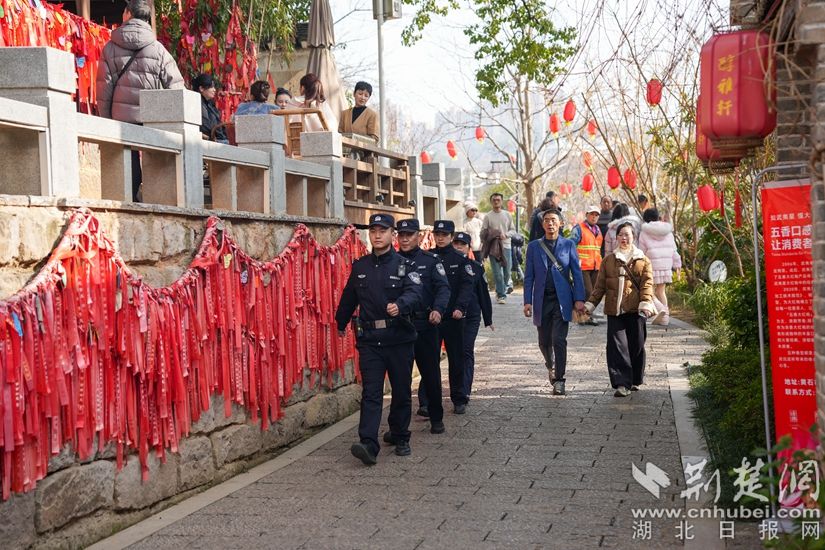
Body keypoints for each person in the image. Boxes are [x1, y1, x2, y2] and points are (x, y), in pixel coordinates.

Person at [334, 214, 423, 465]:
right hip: (370, 340)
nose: (377, 235)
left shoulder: (405, 266)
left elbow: (416, 292)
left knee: (401, 391)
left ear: (392, 235)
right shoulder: (360, 266)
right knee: (371, 393)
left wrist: (401, 305)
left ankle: (400, 435)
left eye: (382, 230)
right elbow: (349, 297)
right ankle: (368, 444)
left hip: (398, 338)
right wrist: (340, 323)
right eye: (373, 230)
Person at [96, 0, 183, 201]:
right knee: (153, 154)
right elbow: (176, 86)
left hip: (121, 116)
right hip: (150, 117)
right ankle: (156, 197)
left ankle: (130, 199)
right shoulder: (157, 48)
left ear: (127, 14)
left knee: (128, 157)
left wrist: (106, 119)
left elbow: (104, 87)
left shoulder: (109, 48)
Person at [585, 222, 656, 397]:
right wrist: (590, 304)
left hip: (636, 311)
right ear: (616, 238)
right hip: (614, 311)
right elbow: (600, 286)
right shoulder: (608, 260)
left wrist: (645, 302)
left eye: (627, 235)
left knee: (636, 345)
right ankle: (622, 384)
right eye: (621, 235)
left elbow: (647, 284)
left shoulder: (643, 260)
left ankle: (635, 379)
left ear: (634, 237)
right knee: (617, 347)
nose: (624, 238)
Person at [395, 218, 451, 436]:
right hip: (400, 326)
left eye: (410, 234)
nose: (405, 238)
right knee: (401, 378)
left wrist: (438, 309)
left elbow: (443, 288)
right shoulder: (392, 261)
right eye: (402, 235)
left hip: (425, 324)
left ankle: (436, 417)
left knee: (430, 374)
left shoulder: (430, 261)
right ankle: (399, 425)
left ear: (418, 236)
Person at [523, 209, 586, 396]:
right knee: (544, 341)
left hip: (562, 300)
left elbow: (577, 274)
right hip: (542, 300)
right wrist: (527, 301)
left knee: (558, 339)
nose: (550, 223)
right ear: (542, 225)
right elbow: (529, 277)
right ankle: (550, 364)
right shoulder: (534, 247)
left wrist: (579, 299)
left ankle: (559, 379)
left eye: (553, 220)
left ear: (560, 224)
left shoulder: (568, 245)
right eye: (547, 220)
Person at [419, 220, 474, 415]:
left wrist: (460, 308)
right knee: (428, 360)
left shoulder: (461, 260)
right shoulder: (425, 258)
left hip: (453, 318)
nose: (440, 238)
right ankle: (426, 402)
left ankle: (458, 398)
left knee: (456, 359)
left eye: (445, 234)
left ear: (452, 237)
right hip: (430, 319)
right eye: (438, 234)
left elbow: (467, 287)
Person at [451, 231, 493, 400]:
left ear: (468, 248)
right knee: (455, 352)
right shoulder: (444, 265)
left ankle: (465, 389)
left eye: (462, 244)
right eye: (456, 244)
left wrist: (488, 318)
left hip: (471, 315)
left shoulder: (476, 267)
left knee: (466, 350)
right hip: (452, 316)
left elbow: (483, 294)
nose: (459, 247)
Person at [637, 208, 682, 326]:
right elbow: (674, 250)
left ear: (645, 219)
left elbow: (641, 252)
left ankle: (661, 309)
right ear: (658, 217)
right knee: (661, 291)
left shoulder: (644, 232)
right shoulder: (667, 231)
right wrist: (677, 264)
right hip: (666, 266)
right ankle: (664, 319)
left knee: (648, 291)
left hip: (650, 265)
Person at [569, 205, 603, 326]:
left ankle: (585, 315)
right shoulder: (579, 229)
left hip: (595, 266)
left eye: (596, 215)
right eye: (592, 214)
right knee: (587, 291)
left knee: (594, 292)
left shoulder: (597, 230)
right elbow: (570, 244)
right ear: (587, 215)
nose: (594, 217)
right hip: (582, 266)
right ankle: (583, 316)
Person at [481, 192, 516, 304]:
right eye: (494, 200)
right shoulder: (488, 216)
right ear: (491, 202)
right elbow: (483, 232)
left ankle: (500, 289)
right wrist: (491, 235)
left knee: (507, 272)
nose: (496, 201)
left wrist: (505, 235)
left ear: (501, 201)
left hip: (506, 246)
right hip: (493, 247)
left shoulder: (507, 215)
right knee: (497, 273)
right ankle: (501, 295)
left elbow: (513, 230)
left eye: (498, 200)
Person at [192, 73, 227, 142]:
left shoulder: (210, 104)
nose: (214, 90)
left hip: (220, 139)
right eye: (211, 87)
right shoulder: (196, 103)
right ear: (201, 88)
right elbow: (206, 126)